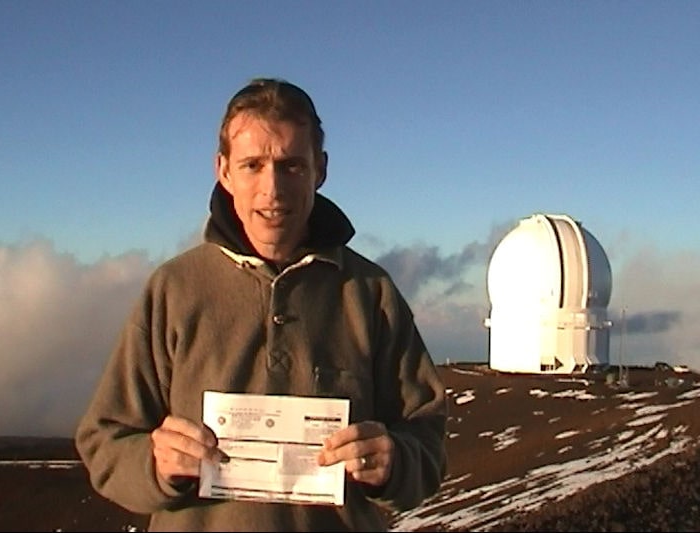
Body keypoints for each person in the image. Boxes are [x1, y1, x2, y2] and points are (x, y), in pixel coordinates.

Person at [75, 77, 447, 532]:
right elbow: (103, 443)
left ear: (320, 169)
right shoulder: (173, 289)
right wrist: (154, 464)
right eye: (252, 165)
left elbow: (427, 442)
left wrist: (395, 462)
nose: (272, 189)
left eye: (291, 166)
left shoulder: (369, 291)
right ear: (223, 170)